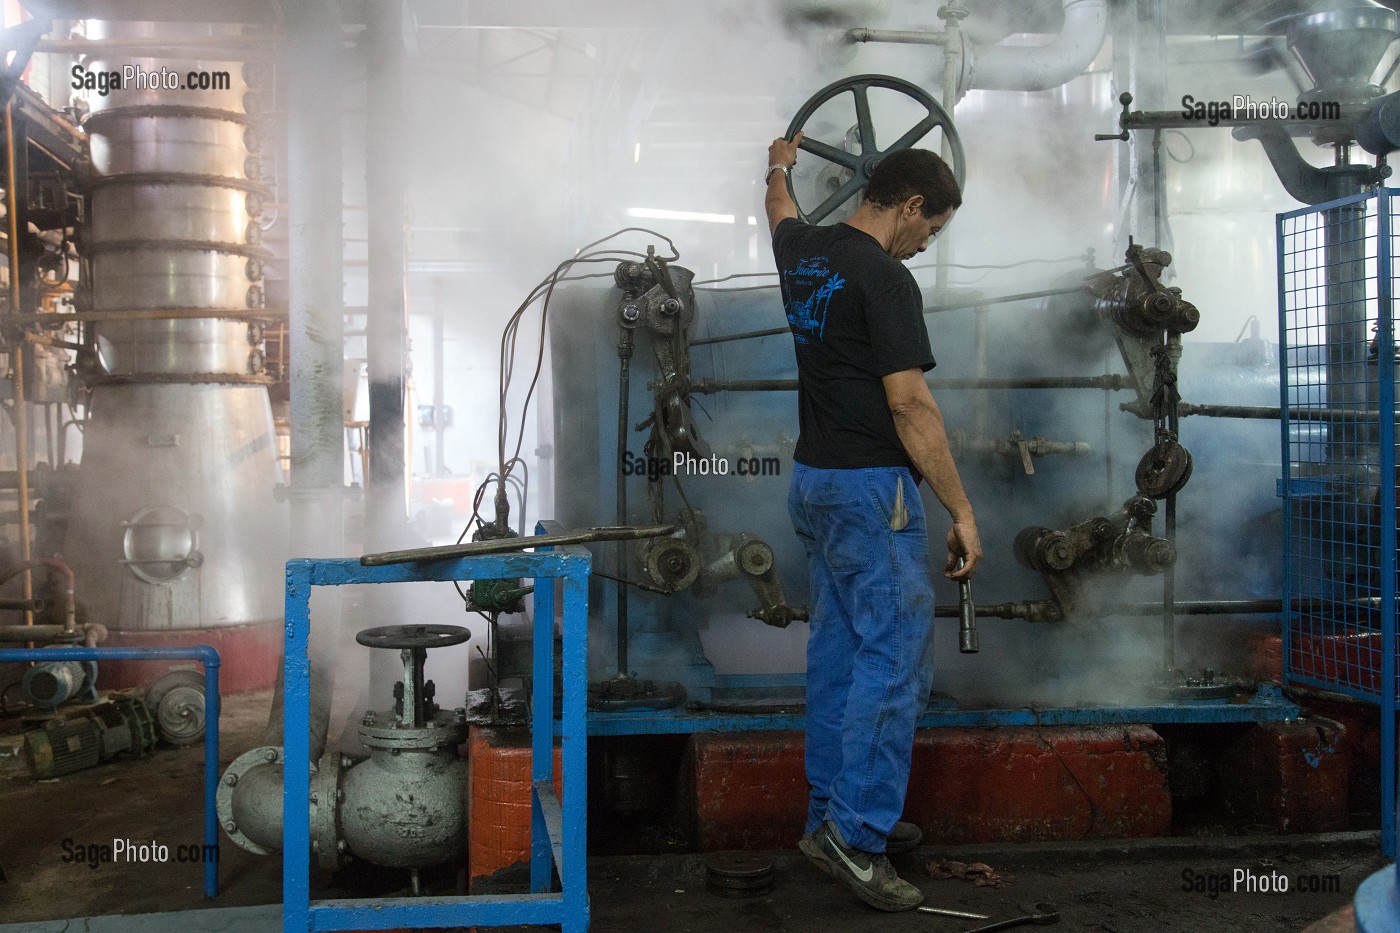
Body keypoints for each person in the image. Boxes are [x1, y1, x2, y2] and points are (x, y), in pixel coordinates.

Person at [764, 133, 983, 912]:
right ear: (913, 205)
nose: (927, 244)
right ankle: (858, 839)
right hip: (870, 492)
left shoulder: (803, 249)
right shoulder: (886, 280)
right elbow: (910, 404)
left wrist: (779, 161)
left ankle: (827, 815)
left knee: (841, 649)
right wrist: (960, 510)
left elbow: (778, 207)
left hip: (815, 482)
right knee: (894, 660)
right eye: (933, 228)